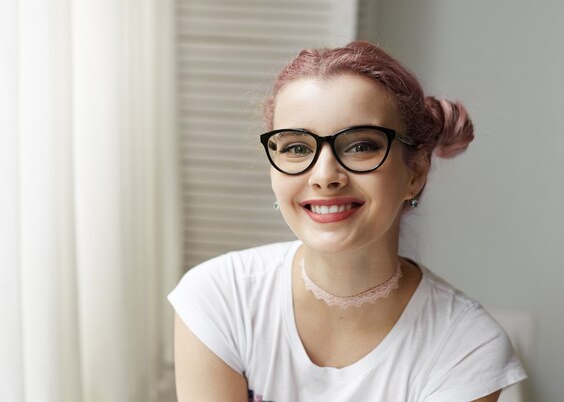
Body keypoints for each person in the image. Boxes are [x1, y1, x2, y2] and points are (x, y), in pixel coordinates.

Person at [168, 41, 527, 402]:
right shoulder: (218, 297)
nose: (325, 176)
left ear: (415, 173)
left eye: (360, 146)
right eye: (296, 148)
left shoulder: (466, 346)